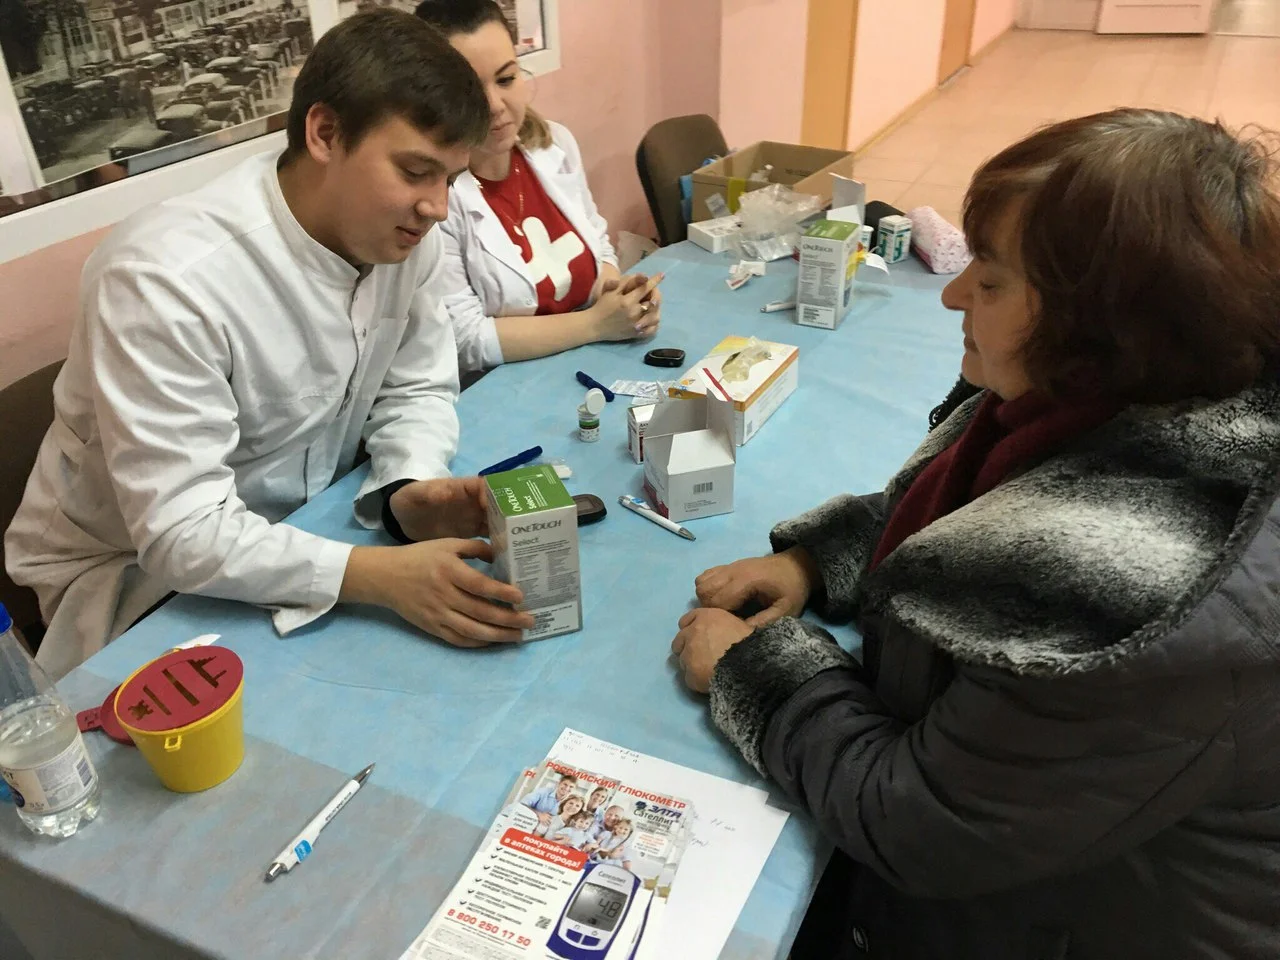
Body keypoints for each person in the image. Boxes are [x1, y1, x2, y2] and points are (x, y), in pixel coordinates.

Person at [670, 109, 1280, 960]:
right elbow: (978, 522)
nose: (953, 295)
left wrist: (754, 672)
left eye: (989, 283)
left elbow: (916, 819)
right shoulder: (1115, 396)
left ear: (1099, 333)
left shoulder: (1135, 606)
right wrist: (819, 560)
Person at [4, 10, 537, 680]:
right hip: (137, 579)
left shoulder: (403, 236)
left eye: (450, 180)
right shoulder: (166, 278)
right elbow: (181, 532)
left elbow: (417, 385)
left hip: (310, 521)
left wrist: (407, 485)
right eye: (414, 171)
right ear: (325, 133)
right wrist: (376, 575)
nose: (436, 208)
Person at [414, 0, 660, 377]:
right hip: (502, 385)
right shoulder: (433, 197)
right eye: (468, 89)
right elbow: (465, 338)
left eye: (506, 79)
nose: (494, 106)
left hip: (588, 361)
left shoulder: (554, 144)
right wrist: (596, 324)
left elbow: (597, 245)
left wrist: (622, 297)